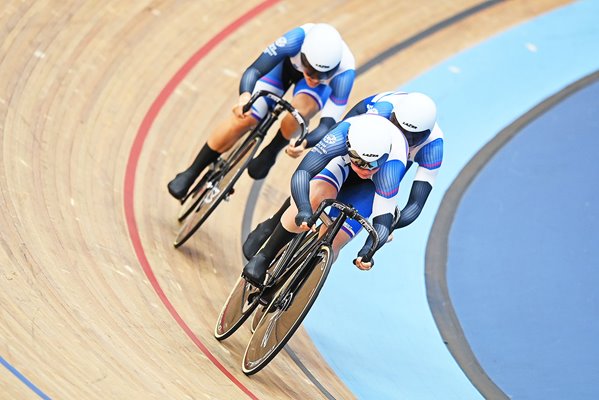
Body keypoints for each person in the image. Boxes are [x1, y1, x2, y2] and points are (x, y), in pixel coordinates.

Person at [242, 91, 443, 259]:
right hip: (351, 157)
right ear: (393, 117)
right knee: (315, 189)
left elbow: (416, 203)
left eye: (412, 137)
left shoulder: (433, 147)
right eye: (398, 127)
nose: (402, 137)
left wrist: (391, 225)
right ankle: (272, 224)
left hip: (381, 178)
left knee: (335, 240)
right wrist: (310, 144)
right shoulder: (380, 110)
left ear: (427, 134)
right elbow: (336, 135)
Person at [167, 23, 356, 200]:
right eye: (310, 71)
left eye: (322, 75)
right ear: (303, 54)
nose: (314, 79)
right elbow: (254, 71)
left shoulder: (344, 74)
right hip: (283, 70)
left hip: (312, 94)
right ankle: (192, 171)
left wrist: (303, 142)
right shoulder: (295, 39)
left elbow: (327, 126)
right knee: (245, 119)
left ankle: (272, 150)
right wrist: (245, 97)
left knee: (298, 113)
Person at [242, 113, 408, 286]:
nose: (366, 170)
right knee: (315, 198)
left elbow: (382, 223)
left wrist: (367, 251)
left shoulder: (391, 167)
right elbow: (303, 173)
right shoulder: (339, 137)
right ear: (349, 147)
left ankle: (298, 286)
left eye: (373, 164)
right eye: (360, 162)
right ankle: (264, 257)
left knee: (336, 239)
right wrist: (305, 209)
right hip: (341, 163)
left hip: (371, 186)